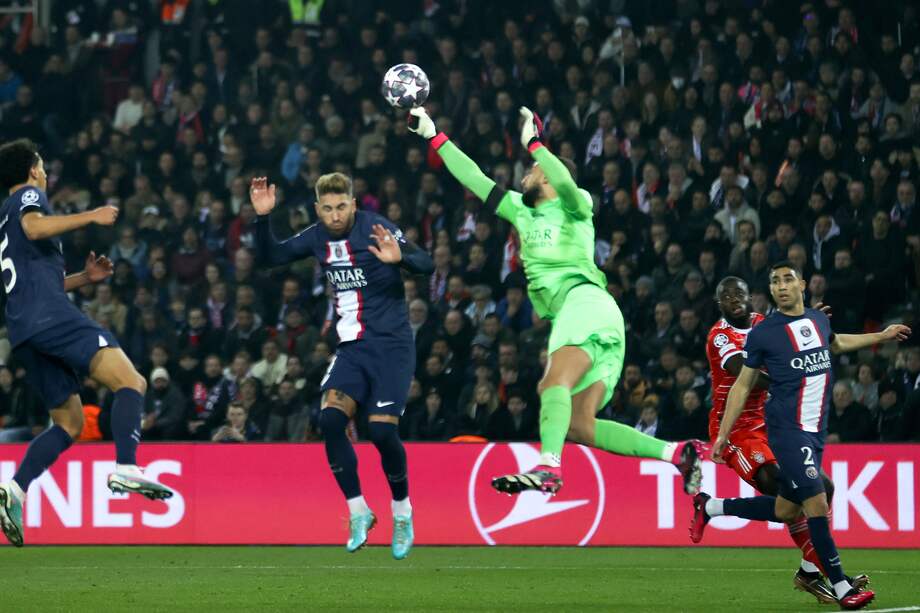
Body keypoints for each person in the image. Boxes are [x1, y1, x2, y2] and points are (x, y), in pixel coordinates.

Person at [408, 106, 703, 496]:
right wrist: (434, 135)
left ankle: (549, 467)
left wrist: (535, 145)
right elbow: (475, 178)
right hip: (593, 316)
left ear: (545, 174)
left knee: (552, 384)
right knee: (579, 424)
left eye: (531, 170)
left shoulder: (574, 204)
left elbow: (563, 180)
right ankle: (677, 454)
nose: (525, 174)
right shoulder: (520, 210)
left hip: (584, 303)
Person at [250, 172, 433, 559]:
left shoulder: (377, 227)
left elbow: (426, 262)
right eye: (328, 209)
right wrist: (263, 219)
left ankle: (402, 512)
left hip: (392, 347)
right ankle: (359, 512)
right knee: (330, 420)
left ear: (354, 203)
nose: (335, 216)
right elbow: (269, 259)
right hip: (352, 348)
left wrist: (404, 260)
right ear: (319, 209)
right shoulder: (316, 235)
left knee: (381, 434)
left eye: (341, 207)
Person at [0, 139, 173, 547]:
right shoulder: (28, 198)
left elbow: (30, 281)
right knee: (132, 381)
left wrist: (83, 279)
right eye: (41, 164)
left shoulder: (1, 221)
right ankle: (127, 466)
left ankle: (15, 490)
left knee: (70, 423)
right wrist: (92, 216)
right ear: (32, 171)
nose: (44, 171)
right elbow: (35, 225)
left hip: (24, 330)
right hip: (50, 317)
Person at [708, 261, 910, 609]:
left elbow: (837, 342)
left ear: (802, 284)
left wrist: (882, 335)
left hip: (814, 429)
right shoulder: (761, 333)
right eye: (775, 281)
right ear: (770, 291)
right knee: (816, 500)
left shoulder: (816, 321)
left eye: (788, 279)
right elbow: (743, 383)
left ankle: (714, 507)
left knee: (790, 508)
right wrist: (723, 435)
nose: (782, 285)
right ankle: (843, 586)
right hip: (785, 430)